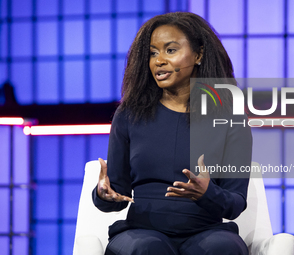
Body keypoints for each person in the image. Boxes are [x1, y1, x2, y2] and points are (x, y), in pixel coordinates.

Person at [92, 12, 252, 255]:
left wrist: (207, 193)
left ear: (198, 55)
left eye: (170, 50)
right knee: (146, 249)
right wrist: (104, 195)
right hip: (141, 232)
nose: (159, 61)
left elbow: (236, 202)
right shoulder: (129, 114)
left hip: (207, 232)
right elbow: (118, 190)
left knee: (222, 248)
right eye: (153, 53)